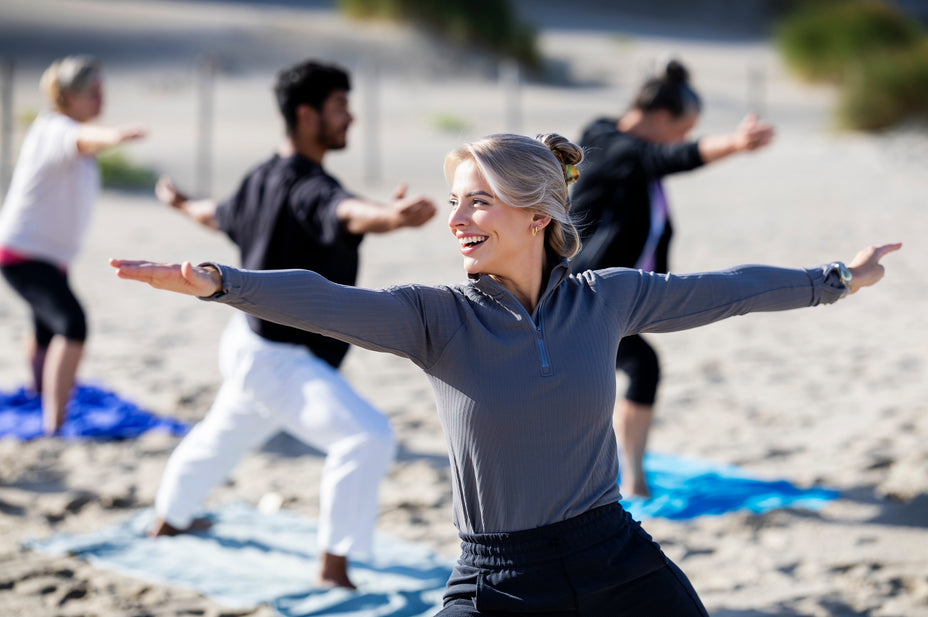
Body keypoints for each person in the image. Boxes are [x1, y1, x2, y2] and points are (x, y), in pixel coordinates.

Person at [110, 131, 899, 616]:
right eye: (456, 202)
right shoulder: (436, 317)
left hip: (615, 555)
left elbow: (728, 292)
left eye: (477, 202)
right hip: (500, 577)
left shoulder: (606, 299)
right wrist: (223, 281)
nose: (456, 219)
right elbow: (328, 299)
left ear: (538, 217)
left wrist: (839, 276)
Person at [146, 59, 437, 589]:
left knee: (224, 433)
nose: (350, 118)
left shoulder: (261, 177)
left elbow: (217, 213)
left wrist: (182, 202)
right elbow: (347, 211)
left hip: (249, 344)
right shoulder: (310, 188)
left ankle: (170, 518)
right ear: (307, 115)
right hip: (280, 358)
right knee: (367, 437)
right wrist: (393, 218)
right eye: (340, 107)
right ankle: (334, 569)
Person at [570, 59, 776, 498]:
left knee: (638, 368)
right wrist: (736, 144)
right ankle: (627, 479)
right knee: (625, 371)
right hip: (579, 294)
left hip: (615, 298)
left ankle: (630, 475)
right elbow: (670, 156)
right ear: (661, 117)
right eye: (684, 128)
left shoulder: (635, 157)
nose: (683, 138)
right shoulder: (606, 143)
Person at [0, 55, 146, 435]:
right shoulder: (56, 129)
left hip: (46, 256)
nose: (101, 100)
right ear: (68, 96)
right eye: (93, 93)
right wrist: (114, 137)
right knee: (73, 326)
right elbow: (83, 139)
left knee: (48, 327)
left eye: (103, 92)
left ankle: (38, 393)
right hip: (24, 252)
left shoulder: (62, 129)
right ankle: (55, 425)